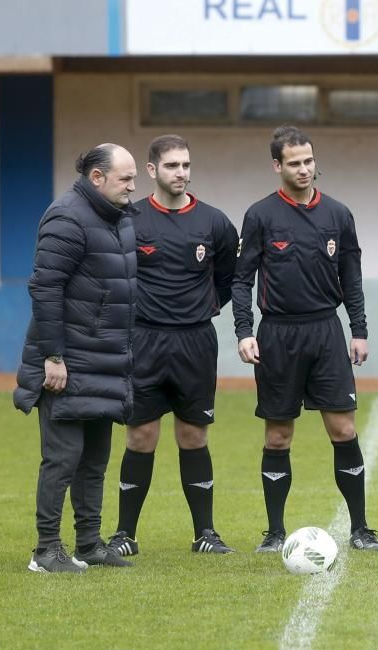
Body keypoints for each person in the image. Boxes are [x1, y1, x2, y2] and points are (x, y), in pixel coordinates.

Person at [232, 125, 378, 553]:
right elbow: (240, 281)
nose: (303, 169)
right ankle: (275, 531)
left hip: (326, 332)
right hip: (277, 334)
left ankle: (360, 528)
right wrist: (244, 331)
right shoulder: (260, 215)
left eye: (308, 161)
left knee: (343, 428)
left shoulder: (338, 214)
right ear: (277, 166)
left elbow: (351, 278)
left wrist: (359, 330)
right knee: (278, 435)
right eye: (294, 163)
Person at [106, 135, 240, 558]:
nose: (180, 173)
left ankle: (206, 533)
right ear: (152, 171)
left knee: (193, 435)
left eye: (185, 165)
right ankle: (125, 534)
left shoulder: (215, 223)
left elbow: (228, 280)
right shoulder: (129, 218)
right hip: (143, 340)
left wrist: (204, 308)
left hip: (195, 341)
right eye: (171, 166)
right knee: (141, 436)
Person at [14, 143, 139, 573]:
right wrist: (52, 356)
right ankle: (46, 550)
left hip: (104, 362)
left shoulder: (120, 220)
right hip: (68, 362)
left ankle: (89, 543)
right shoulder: (66, 217)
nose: (133, 185)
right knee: (63, 458)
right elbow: (45, 288)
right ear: (97, 178)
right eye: (125, 178)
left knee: (94, 460)